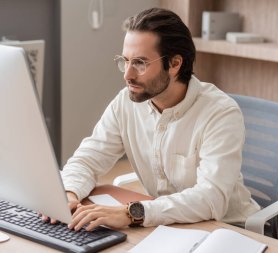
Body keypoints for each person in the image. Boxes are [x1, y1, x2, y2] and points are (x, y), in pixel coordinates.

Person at [60, 7, 260, 232]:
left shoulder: (220, 113)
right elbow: (88, 159)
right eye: (125, 61)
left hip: (226, 229)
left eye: (140, 63)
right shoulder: (125, 103)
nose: (127, 75)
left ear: (175, 64)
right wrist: (69, 194)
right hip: (164, 225)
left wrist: (132, 213)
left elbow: (210, 198)